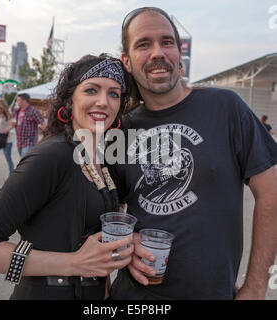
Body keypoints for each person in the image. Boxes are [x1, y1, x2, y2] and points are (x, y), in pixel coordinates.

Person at [110, 7, 277, 300]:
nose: (157, 52)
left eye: (167, 42)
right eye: (143, 44)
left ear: (178, 53)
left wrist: (255, 285)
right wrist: (128, 241)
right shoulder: (122, 128)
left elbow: (271, 194)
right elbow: (105, 212)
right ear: (127, 61)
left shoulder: (225, 107)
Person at [0, 54, 134, 300]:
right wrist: (73, 263)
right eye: (91, 90)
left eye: (114, 94)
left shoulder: (101, 158)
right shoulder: (51, 156)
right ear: (70, 100)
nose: (104, 101)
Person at [13, 93, 45, 158]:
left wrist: (44, 136)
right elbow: (15, 124)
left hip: (29, 142)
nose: (17, 102)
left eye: (18, 100)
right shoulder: (17, 111)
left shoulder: (33, 111)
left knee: (24, 162)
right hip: (19, 142)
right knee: (25, 162)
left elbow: (42, 124)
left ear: (24, 101)